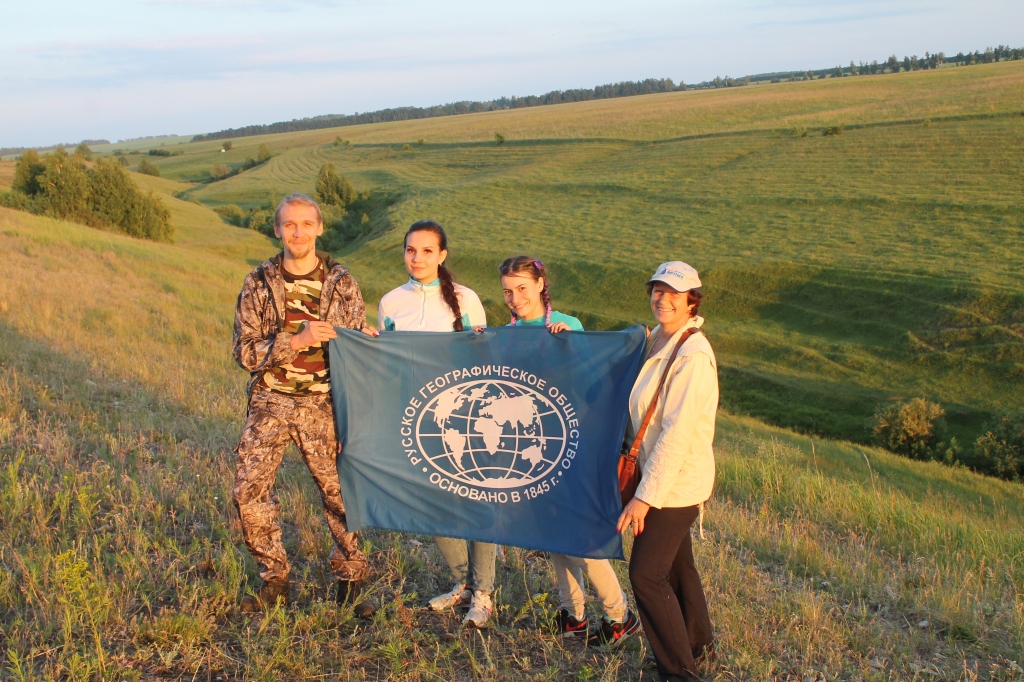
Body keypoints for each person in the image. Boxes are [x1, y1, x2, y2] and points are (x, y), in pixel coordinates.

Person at [231, 193, 376, 617]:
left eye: (306, 224)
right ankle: (274, 579)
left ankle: (351, 577)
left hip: (325, 404)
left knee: (339, 494)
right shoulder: (258, 281)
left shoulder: (341, 281)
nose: (298, 232)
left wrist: (365, 341)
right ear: (277, 230)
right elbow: (245, 353)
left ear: (319, 228)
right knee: (249, 491)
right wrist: (296, 341)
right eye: (289, 224)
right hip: (271, 401)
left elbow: (353, 345)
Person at [498, 256, 640, 646]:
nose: (514, 298)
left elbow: (589, 381)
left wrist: (570, 345)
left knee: (579, 536)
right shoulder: (506, 334)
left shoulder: (566, 325)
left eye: (522, 288)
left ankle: (619, 615)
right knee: (552, 534)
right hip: (527, 449)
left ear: (541, 285)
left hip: (567, 446)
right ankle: (572, 613)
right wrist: (480, 341)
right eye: (508, 291)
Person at [377, 220, 493, 628]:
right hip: (416, 417)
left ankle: (484, 593)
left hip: (464, 416)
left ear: (442, 255)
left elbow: (485, 354)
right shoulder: (391, 302)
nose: (418, 258)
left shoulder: (466, 299)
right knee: (434, 503)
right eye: (411, 250)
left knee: (476, 501)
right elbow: (387, 364)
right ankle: (462, 584)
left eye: (427, 251)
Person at [616, 261, 718, 681]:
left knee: (646, 575)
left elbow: (676, 435)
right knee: (677, 567)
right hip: (659, 476)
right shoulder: (657, 337)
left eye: (674, 293)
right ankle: (699, 645)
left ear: (691, 300)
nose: (663, 299)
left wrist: (643, 499)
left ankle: (680, 672)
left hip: (675, 485)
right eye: (657, 290)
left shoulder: (692, 356)